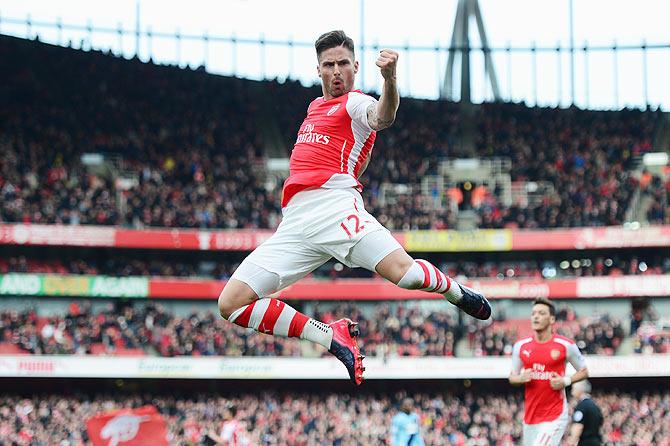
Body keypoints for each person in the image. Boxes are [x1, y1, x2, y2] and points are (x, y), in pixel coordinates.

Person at [217, 30, 491, 386]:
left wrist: (389, 79)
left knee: (405, 275)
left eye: (343, 64)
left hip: (335, 210)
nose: (336, 71)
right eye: (328, 65)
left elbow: (384, 115)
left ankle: (457, 292)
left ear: (355, 67)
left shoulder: (356, 102)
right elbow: (358, 159)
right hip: (296, 223)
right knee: (231, 304)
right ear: (318, 70)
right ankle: (330, 336)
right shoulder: (314, 108)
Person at [508, 298, 590, 446]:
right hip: (530, 417)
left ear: (552, 319)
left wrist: (565, 381)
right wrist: (521, 378)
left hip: (555, 415)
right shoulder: (521, 346)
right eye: (533, 313)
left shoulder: (565, 345)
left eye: (541, 313)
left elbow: (584, 371)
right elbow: (512, 377)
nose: (536, 316)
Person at [566, 380, 603, 446]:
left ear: (580, 390)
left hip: (585, 442)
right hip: (596, 442)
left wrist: (571, 441)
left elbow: (578, 425)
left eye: (574, 388)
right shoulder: (595, 406)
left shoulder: (582, 406)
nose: (572, 391)